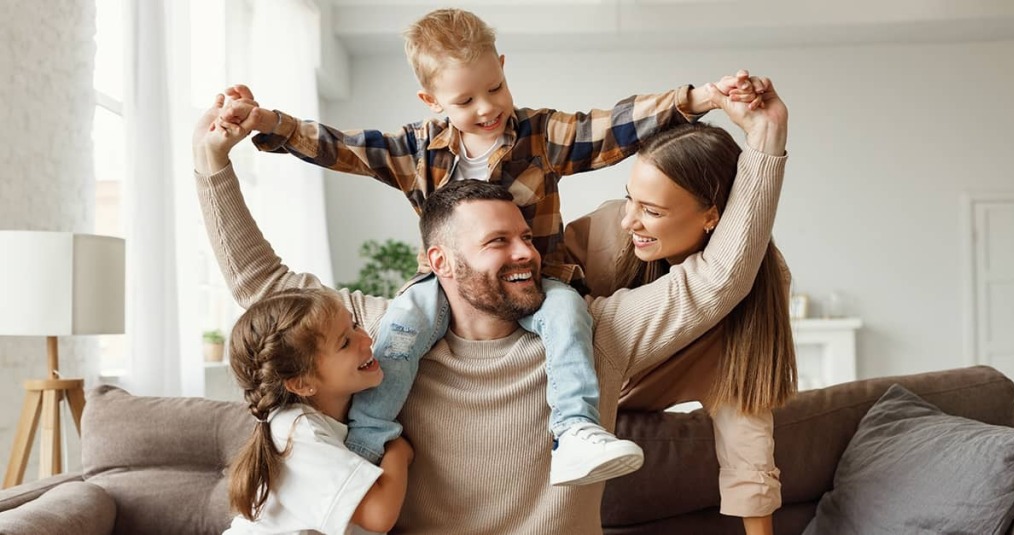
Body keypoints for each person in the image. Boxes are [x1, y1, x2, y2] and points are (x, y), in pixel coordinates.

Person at [194, 71, 788, 533]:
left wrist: (766, 136)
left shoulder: (592, 333)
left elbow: (720, 278)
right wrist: (212, 162)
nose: (526, 253)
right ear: (440, 264)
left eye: (526, 237)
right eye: (497, 242)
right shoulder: (384, 341)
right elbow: (263, 286)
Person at [564, 121, 797, 535]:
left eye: (651, 212)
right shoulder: (602, 234)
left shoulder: (758, 286)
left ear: (712, 216)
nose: (628, 221)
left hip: (631, 412)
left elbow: (745, 414)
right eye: (629, 200)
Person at [222, 286, 415, 535]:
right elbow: (378, 515)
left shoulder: (354, 412)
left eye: (355, 325)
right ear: (302, 384)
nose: (367, 339)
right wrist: (397, 450)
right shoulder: (294, 430)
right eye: (345, 343)